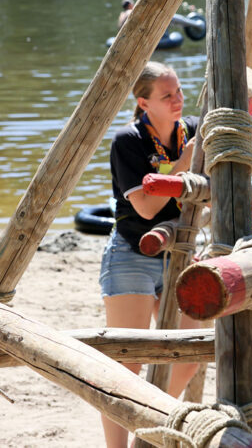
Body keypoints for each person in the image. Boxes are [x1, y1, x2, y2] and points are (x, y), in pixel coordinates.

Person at [100, 61, 201, 448]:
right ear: (143, 103)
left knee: (188, 357)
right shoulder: (128, 141)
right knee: (125, 364)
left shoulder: (190, 129)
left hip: (178, 254)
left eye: (177, 91)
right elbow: (145, 208)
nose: (178, 100)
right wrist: (185, 161)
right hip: (131, 256)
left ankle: (147, 422)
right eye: (167, 96)